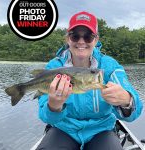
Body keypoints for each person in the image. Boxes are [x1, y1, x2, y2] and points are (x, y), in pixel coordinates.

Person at [36, 11, 143, 150]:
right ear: (68, 39)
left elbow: (134, 112)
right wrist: (54, 106)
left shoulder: (109, 66)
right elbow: (46, 118)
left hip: (101, 130)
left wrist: (126, 100)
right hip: (63, 129)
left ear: (96, 40)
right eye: (75, 36)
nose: (81, 41)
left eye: (88, 36)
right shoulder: (54, 67)